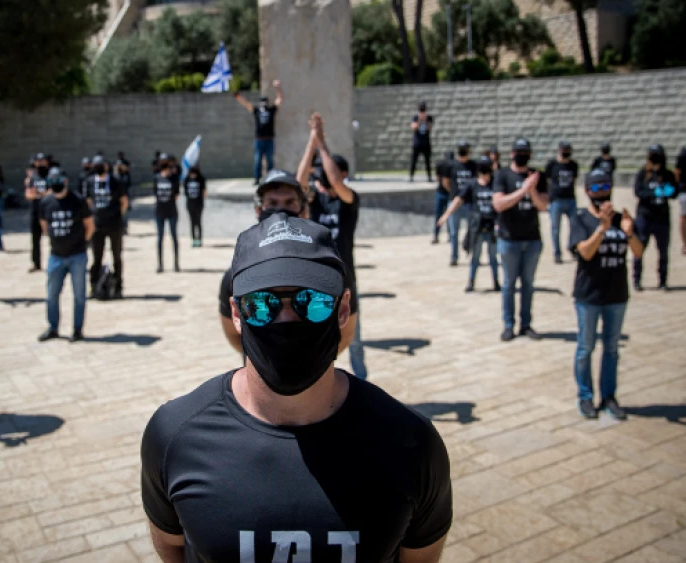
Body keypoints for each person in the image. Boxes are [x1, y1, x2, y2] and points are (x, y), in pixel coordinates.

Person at [142, 213, 453, 563]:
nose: (286, 320)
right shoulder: (174, 436)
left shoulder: (411, 443)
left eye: (312, 301)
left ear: (343, 309)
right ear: (236, 313)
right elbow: (172, 548)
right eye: (262, 304)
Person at [218, 169, 361, 371]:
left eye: (289, 202)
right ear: (258, 210)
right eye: (272, 203)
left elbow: (346, 333)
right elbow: (234, 335)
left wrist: (311, 363)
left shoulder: (331, 270)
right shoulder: (235, 275)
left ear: (304, 210)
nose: (280, 211)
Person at [297, 113, 368, 381]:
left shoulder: (348, 201)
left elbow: (337, 182)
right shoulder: (313, 202)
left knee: (355, 341)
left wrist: (323, 145)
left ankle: (361, 384)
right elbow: (298, 183)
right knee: (318, 339)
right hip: (316, 282)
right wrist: (313, 141)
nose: (323, 176)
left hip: (345, 280)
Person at [568, 169, 642, 420]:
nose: (602, 193)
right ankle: (585, 397)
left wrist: (629, 232)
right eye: (596, 188)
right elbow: (585, 253)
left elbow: (639, 251)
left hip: (617, 294)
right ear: (588, 191)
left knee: (611, 349)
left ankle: (609, 395)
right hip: (589, 296)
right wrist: (602, 228)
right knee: (585, 348)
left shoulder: (623, 218)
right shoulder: (580, 219)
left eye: (605, 187)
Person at [493, 137, 549, 342]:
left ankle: (526, 324)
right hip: (509, 239)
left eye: (525, 152)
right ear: (511, 153)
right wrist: (523, 190)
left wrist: (532, 189)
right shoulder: (502, 176)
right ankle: (508, 324)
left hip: (532, 239)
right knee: (508, 284)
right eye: (518, 151)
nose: (521, 155)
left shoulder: (537, 176)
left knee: (528, 284)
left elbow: (543, 205)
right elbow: (499, 204)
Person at [37, 168, 94, 343]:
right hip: (56, 256)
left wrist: (79, 243)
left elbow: (89, 226)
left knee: (79, 295)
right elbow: (44, 226)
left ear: (66, 181)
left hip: (77, 255)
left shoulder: (78, 201)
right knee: (52, 294)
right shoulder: (46, 202)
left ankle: (77, 329)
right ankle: (53, 327)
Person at [438, 156, 500, 293]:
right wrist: (446, 215)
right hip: (477, 226)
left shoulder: (495, 184)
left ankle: (496, 282)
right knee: (475, 257)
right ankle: (471, 282)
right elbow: (458, 199)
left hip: (491, 226)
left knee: (493, 257)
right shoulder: (472, 184)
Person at [633, 144, 677, 291]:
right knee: (639, 248)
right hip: (645, 217)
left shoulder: (667, 174)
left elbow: (674, 192)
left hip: (662, 218)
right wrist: (656, 193)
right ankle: (637, 280)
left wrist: (666, 190)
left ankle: (663, 281)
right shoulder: (643, 174)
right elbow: (638, 192)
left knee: (663, 251)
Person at [86, 155, 128, 298]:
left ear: (106, 166)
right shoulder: (90, 182)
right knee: (97, 257)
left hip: (114, 224)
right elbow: (89, 201)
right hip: (98, 225)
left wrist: (116, 215)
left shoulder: (116, 181)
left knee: (117, 256)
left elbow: (124, 202)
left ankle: (118, 287)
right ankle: (94, 285)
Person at [234, 80, 284, 184]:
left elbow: (280, 99)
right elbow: (246, 104)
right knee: (258, 160)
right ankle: (257, 179)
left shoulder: (271, 110)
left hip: (269, 139)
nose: (264, 104)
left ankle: (270, 177)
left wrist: (278, 88)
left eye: (265, 101)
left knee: (270, 160)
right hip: (259, 140)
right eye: (262, 101)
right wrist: (237, 96)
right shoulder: (256, 111)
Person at [545, 140, 580, 264]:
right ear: (559, 150)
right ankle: (557, 253)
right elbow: (547, 180)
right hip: (556, 200)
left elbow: (574, 180)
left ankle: (572, 248)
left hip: (570, 199)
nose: (565, 152)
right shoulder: (552, 164)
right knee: (555, 228)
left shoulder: (573, 165)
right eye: (564, 150)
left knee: (575, 226)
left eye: (567, 150)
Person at [444, 140, 477, 266]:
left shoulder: (473, 165)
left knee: (472, 229)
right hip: (455, 202)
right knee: (454, 232)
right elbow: (446, 182)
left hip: (469, 203)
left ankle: (470, 251)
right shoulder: (452, 166)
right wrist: (454, 193)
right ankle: (454, 256)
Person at [25, 153, 51, 273]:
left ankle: (54, 262)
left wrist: (39, 194)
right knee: (35, 239)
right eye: (38, 161)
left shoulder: (51, 175)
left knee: (53, 238)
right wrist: (39, 194)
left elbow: (53, 192)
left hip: (49, 212)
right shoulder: (33, 178)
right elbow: (28, 194)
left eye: (42, 161)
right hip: (36, 212)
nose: (40, 163)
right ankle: (36, 263)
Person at [154, 158, 181, 273]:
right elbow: (155, 193)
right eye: (168, 169)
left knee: (174, 237)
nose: (170, 171)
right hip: (160, 212)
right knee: (160, 238)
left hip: (171, 211)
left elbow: (176, 195)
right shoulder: (157, 178)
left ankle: (176, 263)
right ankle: (160, 264)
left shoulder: (174, 179)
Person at [432, 150, 454, 244]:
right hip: (446, 193)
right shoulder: (452, 165)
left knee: (440, 215)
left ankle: (436, 235)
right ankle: (449, 235)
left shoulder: (440, 164)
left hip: (441, 192)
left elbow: (437, 178)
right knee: (448, 216)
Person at [410, 101, 434, 182]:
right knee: (414, 160)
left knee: (427, 161)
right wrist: (420, 120)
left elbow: (430, 128)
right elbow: (413, 127)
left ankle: (429, 177)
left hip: (426, 143)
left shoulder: (429, 117)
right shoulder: (415, 117)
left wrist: (426, 120)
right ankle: (411, 176)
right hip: (417, 143)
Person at [183, 166, 207, 248]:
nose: (193, 175)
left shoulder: (201, 179)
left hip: (199, 204)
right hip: (190, 204)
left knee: (198, 222)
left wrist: (201, 201)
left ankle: (199, 239)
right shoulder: (187, 180)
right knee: (192, 222)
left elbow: (204, 191)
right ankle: (193, 239)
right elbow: (185, 192)